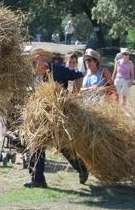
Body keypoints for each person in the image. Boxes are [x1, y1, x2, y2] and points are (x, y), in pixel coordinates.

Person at [25, 49, 88, 189]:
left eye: (35, 62)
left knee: (63, 146)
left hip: (58, 114)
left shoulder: (58, 70)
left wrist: (73, 97)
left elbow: (79, 76)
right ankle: (38, 179)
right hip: (41, 116)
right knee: (36, 143)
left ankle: (82, 168)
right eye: (33, 63)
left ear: (42, 59)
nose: (34, 66)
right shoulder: (35, 75)